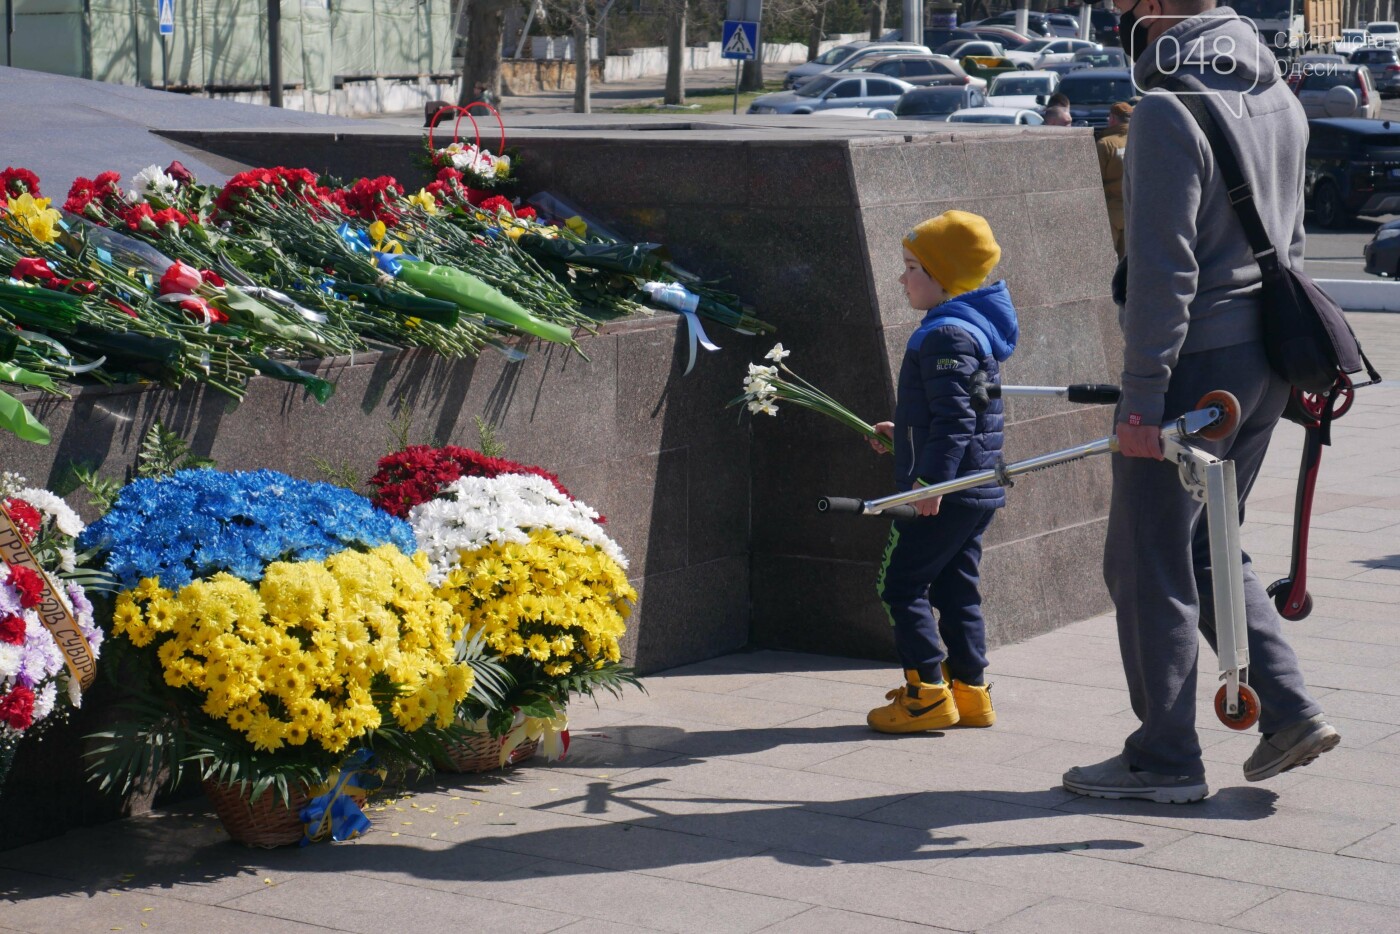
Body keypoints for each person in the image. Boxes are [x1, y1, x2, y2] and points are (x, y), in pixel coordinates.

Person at [1062, 0, 1339, 804]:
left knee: (1147, 560)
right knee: (1210, 546)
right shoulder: (1278, 90)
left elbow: (1163, 274)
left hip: (1195, 369)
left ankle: (1164, 759)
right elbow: (1289, 239)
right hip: (1268, 360)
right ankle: (1287, 711)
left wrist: (1141, 402)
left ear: (1148, 11)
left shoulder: (1166, 107)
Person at [865, 211, 1020, 734]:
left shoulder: (945, 335)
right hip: (972, 489)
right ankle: (970, 693)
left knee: (900, 584)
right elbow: (954, 414)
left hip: (950, 492)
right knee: (956, 589)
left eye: (911, 268)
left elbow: (956, 421)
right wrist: (904, 430)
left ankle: (926, 694)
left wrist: (932, 483)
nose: (901, 279)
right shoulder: (966, 326)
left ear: (940, 276)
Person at [1096, 101, 1132, 258]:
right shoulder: (1143, 140)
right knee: (1129, 263)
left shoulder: (1105, 144)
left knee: (1107, 260)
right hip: (1134, 210)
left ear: (1112, 119)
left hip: (1111, 211)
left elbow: (1095, 180)